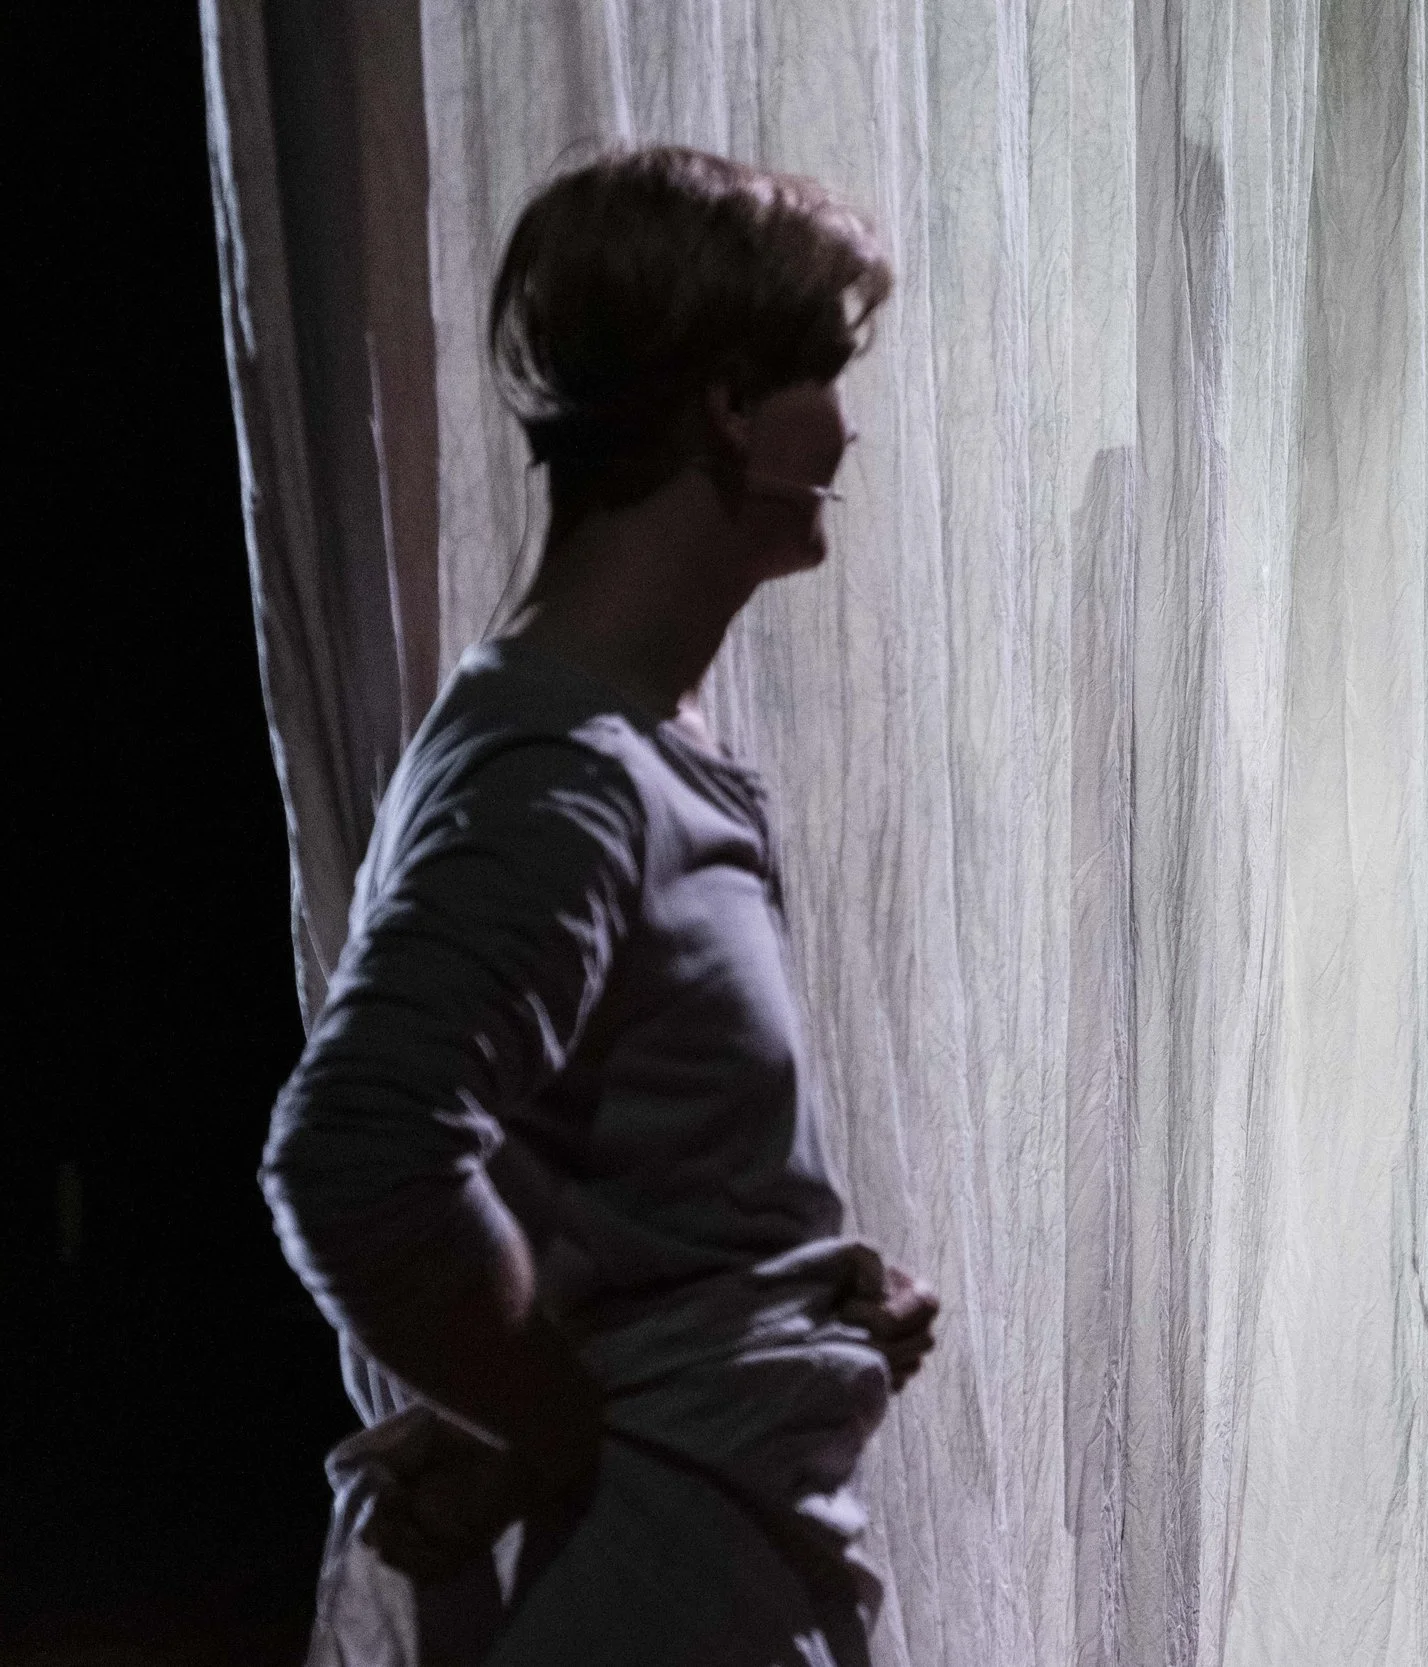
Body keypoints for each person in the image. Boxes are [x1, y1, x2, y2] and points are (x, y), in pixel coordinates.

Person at [262, 146, 937, 1667]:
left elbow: (615, 1206)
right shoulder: (561, 779)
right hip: (644, 1599)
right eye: (824, 372)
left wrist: (789, 1310)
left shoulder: (630, 753)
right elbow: (357, 1150)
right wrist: (551, 1428)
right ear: (724, 408)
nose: (850, 422)